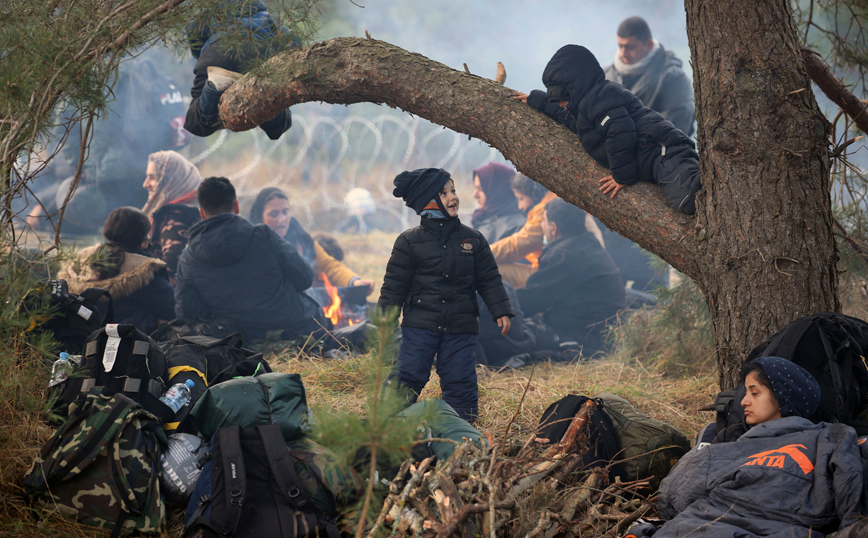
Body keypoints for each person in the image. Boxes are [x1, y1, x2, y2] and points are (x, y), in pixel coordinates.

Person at [645, 356, 868, 538]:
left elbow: (674, 497)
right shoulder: (731, 444)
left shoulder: (827, 437)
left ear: (783, 396)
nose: (743, 402)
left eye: (754, 392)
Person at [378, 168, 514, 422]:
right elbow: (394, 285)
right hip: (420, 324)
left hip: (461, 325)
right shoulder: (409, 242)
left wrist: (501, 309)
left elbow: (489, 279)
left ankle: (460, 427)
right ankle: (387, 422)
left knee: (460, 376)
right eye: (443, 193)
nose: (453, 197)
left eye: (453, 190)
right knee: (409, 372)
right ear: (427, 201)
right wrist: (384, 319)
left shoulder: (473, 240)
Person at [515, 45, 702, 215]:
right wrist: (534, 99)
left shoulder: (602, 96)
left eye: (563, 97)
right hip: (652, 158)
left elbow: (620, 132)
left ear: (576, 89)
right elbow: (563, 116)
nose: (562, 104)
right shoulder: (581, 109)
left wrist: (622, 177)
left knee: (691, 199)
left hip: (664, 151)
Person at [174, 177, 328, 339]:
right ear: (236, 206)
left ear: (202, 213)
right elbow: (304, 278)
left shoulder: (189, 257)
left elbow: (187, 312)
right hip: (295, 330)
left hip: (239, 340)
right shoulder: (264, 236)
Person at [516, 199, 625, 357]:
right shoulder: (586, 244)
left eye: (544, 222)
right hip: (601, 334)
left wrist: (497, 304)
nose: (541, 226)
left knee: (511, 335)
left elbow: (532, 300)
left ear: (553, 228)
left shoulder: (564, 254)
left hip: (584, 339)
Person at [184, 0, 296, 140]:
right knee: (278, 127)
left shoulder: (211, 11)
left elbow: (194, 33)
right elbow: (293, 42)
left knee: (194, 124)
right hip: (257, 56)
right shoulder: (266, 15)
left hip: (217, 52)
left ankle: (213, 87)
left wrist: (205, 57)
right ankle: (269, 97)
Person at [58, 207, 175, 334]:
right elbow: (172, 309)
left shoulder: (83, 258)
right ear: (142, 238)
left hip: (80, 339)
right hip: (127, 343)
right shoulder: (145, 269)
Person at [248, 187, 374, 293]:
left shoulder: (299, 237)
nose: (282, 220)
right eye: (274, 214)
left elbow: (327, 264)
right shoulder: (251, 245)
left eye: (285, 212)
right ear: (260, 217)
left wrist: (354, 281)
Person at [490, 175, 603, 288]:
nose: (520, 206)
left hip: (570, 275)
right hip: (579, 268)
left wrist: (480, 253)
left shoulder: (547, 210)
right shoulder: (555, 198)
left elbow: (517, 245)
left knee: (494, 271)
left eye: (521, 199)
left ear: (533, 194)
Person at [604, 16, 695, 136]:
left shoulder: (673, 78)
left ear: (649, 44)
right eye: (620, 46)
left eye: (631, 47)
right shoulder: (605, 75)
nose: (623, 53)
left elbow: (676, 130)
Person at [142, 150, 203, 283]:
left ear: (170, 180)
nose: (145, 184)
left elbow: (172, 264)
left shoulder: (176, 216)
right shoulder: (200, 207)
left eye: (152, 177)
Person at [470, 162, 526, 244]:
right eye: (475, 188)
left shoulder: (515, 227)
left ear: (497, 190)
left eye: (481, 189)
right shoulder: (482, 218)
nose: (474, 195)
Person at [333, 187, 403, 235]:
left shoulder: (362, 196)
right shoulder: (351, 218)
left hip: (360, 216)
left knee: (364, 226)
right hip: (354, 215)